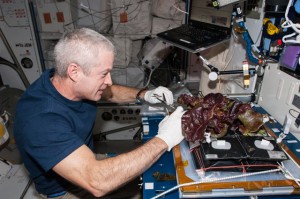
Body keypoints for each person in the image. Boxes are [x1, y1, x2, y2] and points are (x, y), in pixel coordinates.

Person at [14, 28, 185, 198]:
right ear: (74, 72)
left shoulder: (65, 81)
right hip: (67, 189)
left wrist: (144, 94)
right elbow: (97, 181)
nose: (109, 81)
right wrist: (164, 139)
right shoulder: (41, 120)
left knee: (149, 174)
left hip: (85, 158)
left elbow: (106, 90)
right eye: (104, 74)